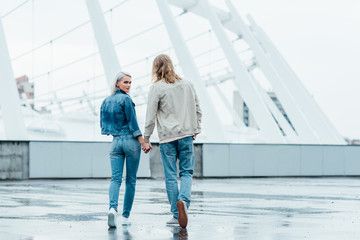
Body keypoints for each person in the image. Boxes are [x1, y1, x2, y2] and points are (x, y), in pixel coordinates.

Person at [143, 54, 202, 228]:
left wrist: (146, 139)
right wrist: (195, 129)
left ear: (155, 68)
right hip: (186, 136)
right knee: (186, 173)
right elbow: (198, 109)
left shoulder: (157, 88)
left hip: (167, 138)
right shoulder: (188, 84)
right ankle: (183, 200)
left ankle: (176, 215)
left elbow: (150, 117)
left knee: (170, 176)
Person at [100, 72, 151, 228]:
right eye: (125, 82)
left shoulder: (106, 101)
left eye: (130, 82)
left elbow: (104, 126)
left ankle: (112, 208)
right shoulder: (126, 100)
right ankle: (126, 216)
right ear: (117, 83)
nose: (128, 85)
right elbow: (133, 123)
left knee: (115, 179)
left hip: (115, 142)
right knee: (130, 181)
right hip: (130, 141)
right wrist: (143, 142)